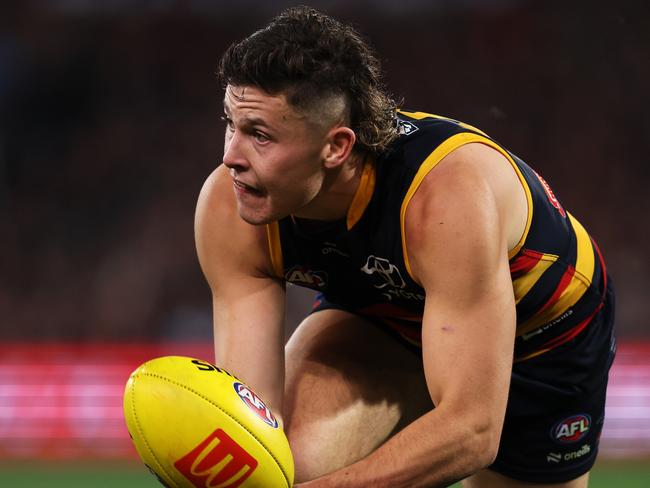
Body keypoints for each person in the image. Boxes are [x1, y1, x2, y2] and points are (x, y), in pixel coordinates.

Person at [195, 6, 616, 487]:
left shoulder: (443, 200)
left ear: (336, 147)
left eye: (260, 136)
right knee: (285, 463)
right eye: (231, 123)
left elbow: (472, 430)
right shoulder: (230, 207)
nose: (230, 157)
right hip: (387, 318)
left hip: (544, 336)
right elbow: (254, 429)